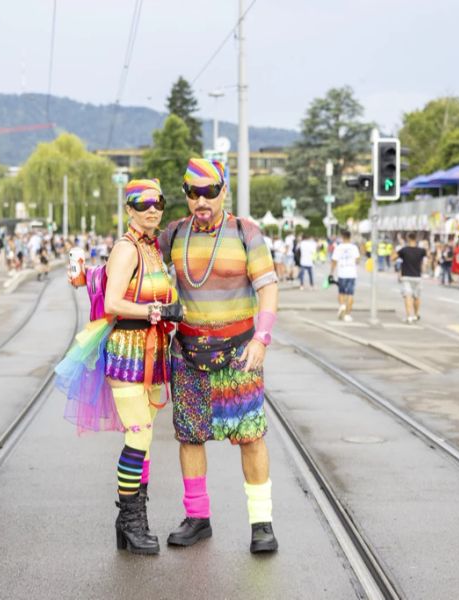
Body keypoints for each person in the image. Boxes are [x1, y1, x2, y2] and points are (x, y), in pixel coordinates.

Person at [158, 158, 280, 554]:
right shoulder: (174, 234)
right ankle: (198, 518)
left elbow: (268, 288)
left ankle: (261, 524)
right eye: (192, 193)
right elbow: (138, 265)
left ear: (223, 190)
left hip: (240, 353)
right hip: (189, 354)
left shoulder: (246, 232)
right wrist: (92, 275)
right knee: (190, 437)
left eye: (209, 191)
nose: (201, 201)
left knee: (250, 436)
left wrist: (261, 339)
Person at [56, 179, 179, 556]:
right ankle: (130, 520)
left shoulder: (152, 248)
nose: (152, 209)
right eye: (142, 204)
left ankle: (130, 524)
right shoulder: (127, 249)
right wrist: (156, 311)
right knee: (138, 436)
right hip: (127, 354)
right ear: (129, 209)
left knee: (143, 441)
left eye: (157, 202)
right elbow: (112, 302)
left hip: (154, 354)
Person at [393, 232, 427, 323]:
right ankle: (416, 314)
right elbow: (429, 256)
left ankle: (409, 316)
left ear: (408, 239)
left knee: (408, 296)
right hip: (417, 276)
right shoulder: (421, 251)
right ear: (416, 239)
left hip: (406, 276)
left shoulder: (404, 250)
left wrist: (396, 248)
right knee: (416, 296)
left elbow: (393, 258)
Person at [330, 230, 360, 322]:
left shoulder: (338, 247)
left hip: (342, 272)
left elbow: (334, 261)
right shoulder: (354, 247)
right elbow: (357, 260)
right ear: (350, 237)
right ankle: (347, 314)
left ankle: (342, 305)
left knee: (341, 292)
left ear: (342, 237)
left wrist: (331, 272)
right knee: (350, 294)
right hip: (351, 273)